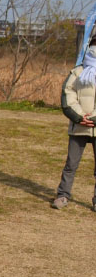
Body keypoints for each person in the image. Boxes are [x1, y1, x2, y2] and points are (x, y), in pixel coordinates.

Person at [52, 38, 96, 211]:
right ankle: (62, 195)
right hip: (78, 127)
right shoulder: (77, 72)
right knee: (71, 164)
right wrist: (79, 116)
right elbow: (68, 94)